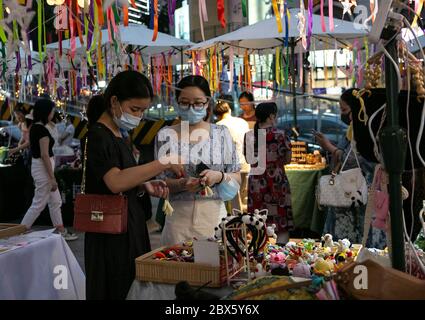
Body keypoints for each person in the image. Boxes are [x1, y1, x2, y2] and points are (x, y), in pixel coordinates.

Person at [83, 70, 183, 300]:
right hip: (110, 235)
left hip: (128, 225)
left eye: (142, 111)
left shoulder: (118, 134)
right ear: (115, 101)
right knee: (118, 288)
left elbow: (120, 178)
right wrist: (163, 162)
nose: (138, 116)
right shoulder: (98, 135)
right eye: (134, 109)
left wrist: (143, 186)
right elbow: (115, 182)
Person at [155, 75, 241, 246]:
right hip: (177, 220)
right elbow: (158, 182)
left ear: (207, 102)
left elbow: (237, 176)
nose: (191, 108)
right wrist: (182, 184)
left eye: (198, 103)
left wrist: (220, 177)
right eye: (185, 102)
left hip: (214, 218)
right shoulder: (165, 135)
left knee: (214, 269)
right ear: (177, 102)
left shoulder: (221, 133)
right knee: (177, 267)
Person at [313, 88, 386, 249]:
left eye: (346, 110)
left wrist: (329, 147)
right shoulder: (355, 130)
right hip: (352, 193)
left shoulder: (367, 133)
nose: (347, 116)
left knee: (354, 243)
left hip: (360, 195)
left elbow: (354, 159)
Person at [20, 98, 77, 241]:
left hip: (42, 167)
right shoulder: (42, 130)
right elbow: (45, 155)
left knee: (55, 201)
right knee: (39, 203)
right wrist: (52, 178)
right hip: (43, 169)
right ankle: (20, 230)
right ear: (46, 112)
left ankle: (60, 230)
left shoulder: (36, 127)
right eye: (52, 111)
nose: (53, 113)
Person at [244, 102, 293, 244]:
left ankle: (259, 251)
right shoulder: (280, 135)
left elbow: (248, 159)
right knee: (281, 221)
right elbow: (288, 159)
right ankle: (280, 255)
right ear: (271, 116)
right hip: (277, 181)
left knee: (258, 219)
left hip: (256, 183)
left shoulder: (249, 136)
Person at [214, 99, 250, 211]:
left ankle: (237, 225)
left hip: (229, 168)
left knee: (234, 199)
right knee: (245, 198)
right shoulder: (242, 122)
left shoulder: (218, 125)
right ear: (229, 110)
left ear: (217, 115)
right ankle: (248, 223)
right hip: (245, 163)